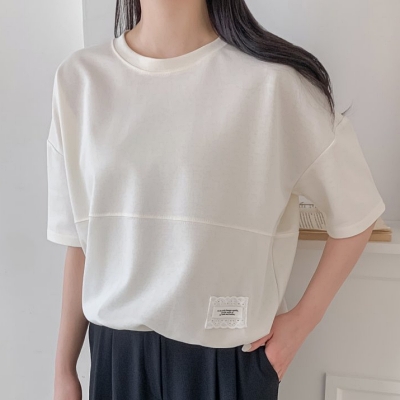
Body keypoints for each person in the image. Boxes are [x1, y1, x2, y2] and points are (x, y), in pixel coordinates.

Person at [47, 1, 386, 399]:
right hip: (115, 363)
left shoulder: (273, 84)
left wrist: (299, 325)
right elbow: (81, 242)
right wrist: (64, 370)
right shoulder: (80, 80)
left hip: (228, 365)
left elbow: (357, 211)